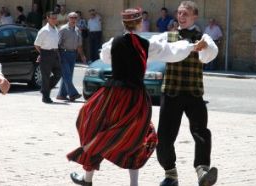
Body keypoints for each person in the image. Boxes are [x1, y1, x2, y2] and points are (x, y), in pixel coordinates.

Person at [67, 7, 210, 186]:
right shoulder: (146, 45)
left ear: (123, 24)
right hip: (135, 97)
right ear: (140, 23)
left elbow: (105, 57)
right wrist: (191, 46)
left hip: (112, 95)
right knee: (136, 138)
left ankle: (87, 179)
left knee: (95, 128)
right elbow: (171, 52)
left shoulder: (114, 43)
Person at [156, 1, 218, 186]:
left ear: (194, 16)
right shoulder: (169, 36)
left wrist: (204, 46)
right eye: (179, 13)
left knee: (201, 133)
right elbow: (154, 49)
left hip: (193, 93)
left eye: (185, 14)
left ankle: (202, 171)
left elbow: (210, 53)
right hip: (171, 92)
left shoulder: (203, 37)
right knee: (164, 137)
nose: (181, 17)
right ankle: (170, 174)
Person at [57, 12, 86, 102]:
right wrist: (58, 56)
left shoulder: (77, 30)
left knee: (68, 75)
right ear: (68, 18)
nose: (73, 19)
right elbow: (57, 43)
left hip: (73, 54)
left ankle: (61, 95)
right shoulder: (63, 29)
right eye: (72, 17)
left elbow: (79, 45)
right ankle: (73, 94)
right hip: (63, 53)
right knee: (67, 75)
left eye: (75, 17)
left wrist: (82, 56)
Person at [34, 11, 62, 104]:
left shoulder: (55, 29)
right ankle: (46, 97)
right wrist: (42, 53)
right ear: (48, 18)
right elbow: (37, 44)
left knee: (59, 73)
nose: (54, 20)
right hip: (46, 53)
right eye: (52, 18)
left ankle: (44, 89)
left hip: (55, 53)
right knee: (46, 76)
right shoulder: (44, 30)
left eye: (55, 18)